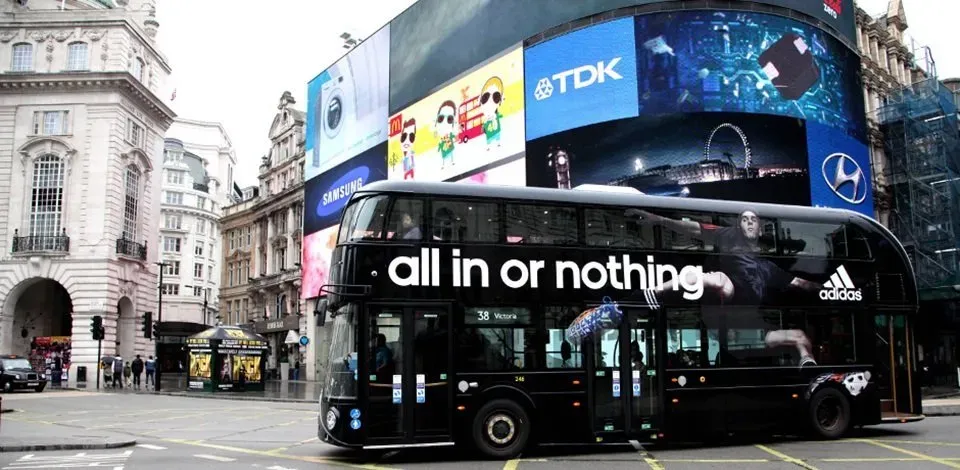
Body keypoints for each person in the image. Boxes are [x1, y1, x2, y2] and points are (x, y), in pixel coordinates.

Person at [625, 208, 822, 366]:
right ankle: (652, 293)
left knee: (800, 337)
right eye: (745, 219)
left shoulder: (768, 268)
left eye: (753, 219)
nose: (750, 222)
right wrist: (658, 219)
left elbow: (799, 283)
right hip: (723, 317)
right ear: (739, 226)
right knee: (717, 278)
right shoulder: (728, 235)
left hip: (750, 333)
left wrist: (830, 289)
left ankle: (807, 365)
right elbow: (692, 229)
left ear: (760, 229)